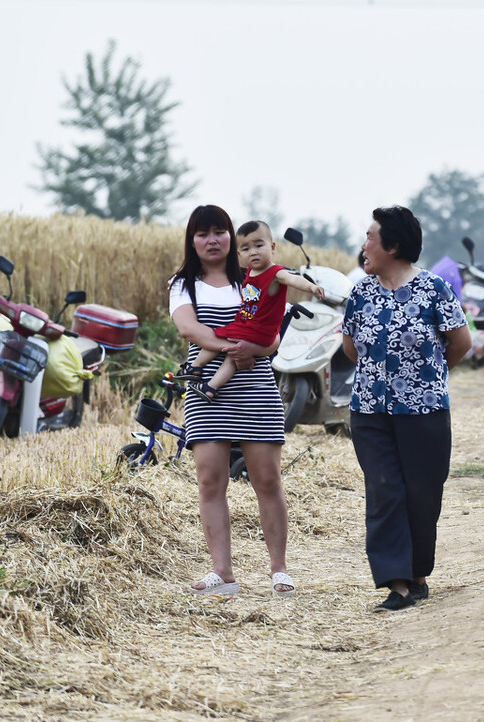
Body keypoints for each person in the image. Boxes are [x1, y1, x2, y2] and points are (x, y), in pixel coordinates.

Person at [341, 206, 472, 612]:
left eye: (370, 237)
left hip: (425, 411)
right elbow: (350, 348)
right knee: (383, 490)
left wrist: (427, 377)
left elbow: (461, 343)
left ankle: (417, 575)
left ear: (393, 245)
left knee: (423, 492)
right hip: (370, 411)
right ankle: (395, 583)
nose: (363, 246)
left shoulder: (434, 289)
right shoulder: (361, 292)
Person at [168, 204, 295, 598]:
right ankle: (222, 574)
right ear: (192, 240)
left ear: (232, 238)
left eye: (219, 232)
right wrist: (236, 345)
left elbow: (274, 336)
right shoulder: (182, 284)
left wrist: (251, 351)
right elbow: (190, 329)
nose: (212, 240)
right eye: (203, 233)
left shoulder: (257, 278)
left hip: (254, 382)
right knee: (210, 480)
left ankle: (279, 571)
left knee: (267, 479)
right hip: (206, 387)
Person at [184, 220, 325, 403]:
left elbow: (292, 279)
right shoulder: (250, 272)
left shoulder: (275, 273)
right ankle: (211, 387)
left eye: (259, 245)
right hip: (249, 326)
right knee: (231, 358)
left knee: (219, 336)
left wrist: (311, 287)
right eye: (246, 248)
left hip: (259, 330)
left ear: (272, 246)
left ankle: (194, 367)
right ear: (239, 253)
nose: (254, 252)